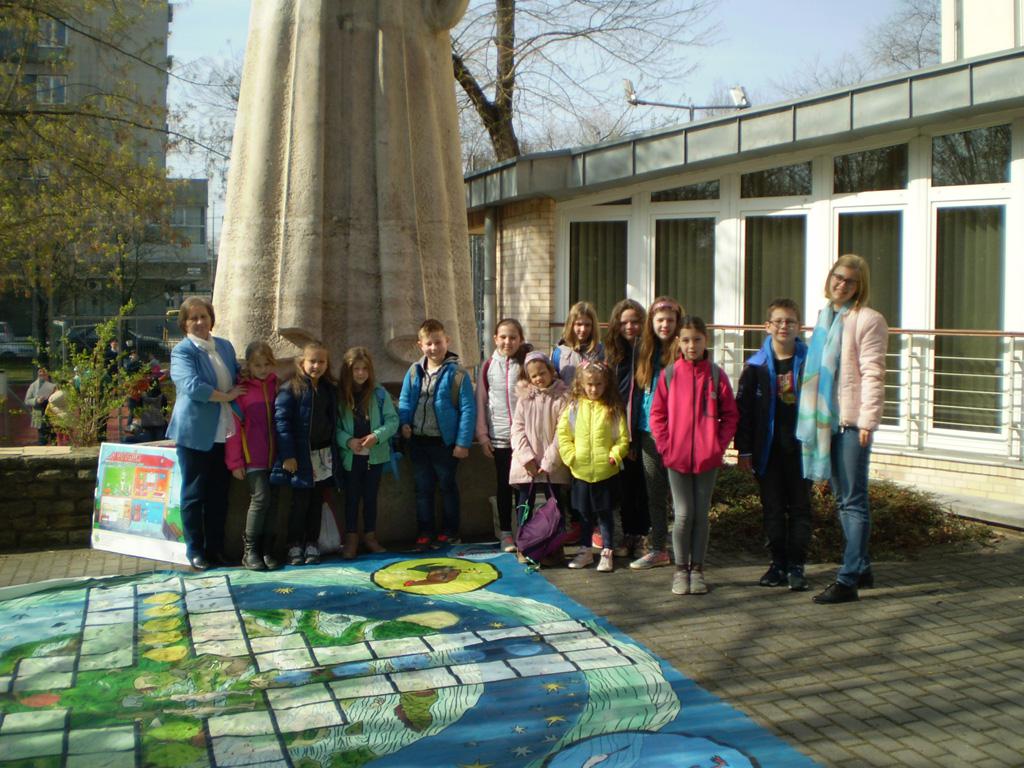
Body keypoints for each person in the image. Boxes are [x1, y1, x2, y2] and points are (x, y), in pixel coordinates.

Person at [799, 255, 888, 605]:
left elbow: (873, 373)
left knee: (852, 500)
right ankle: (862, 566)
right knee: (842, 498)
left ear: (859, 286)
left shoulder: (868, 319)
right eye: (838, 277)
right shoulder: (826, 318)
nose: (842, 284)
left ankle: (848, 579)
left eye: (850, 281)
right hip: (826, 422)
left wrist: (868, 420)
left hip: (851, 423)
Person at [650, 316, 739, 596]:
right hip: (676, 459)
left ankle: (697, 570)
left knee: (701, 515)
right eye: (686, 340)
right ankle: (680, 570)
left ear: (705, 341)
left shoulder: (716, 375)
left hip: (706, 460)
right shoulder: (669, 375)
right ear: (678, 342)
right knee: (683, 514)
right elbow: (657, 415)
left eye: (697, 340)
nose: (692, 345)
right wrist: (666, 447)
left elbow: (730, 415)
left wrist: (717, 446)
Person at [736, 299, 811, 591]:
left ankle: (797, 566)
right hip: (768, 453)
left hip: (802, 452)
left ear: (799, 327)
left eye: (790, 321)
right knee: (773, 509)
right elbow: (743, 412)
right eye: (778, 321)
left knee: (801, 509)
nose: (784, 326)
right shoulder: (755, 367)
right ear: (767, 326)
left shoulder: (811, 363)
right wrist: (744, 450)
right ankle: (777, 564)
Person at [166, 297, 243, 571]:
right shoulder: (183, 351)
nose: (199, 322)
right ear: (184, 323)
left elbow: (238, 374)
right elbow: (192, 386)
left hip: (225, 432)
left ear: (211, 318)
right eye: (193, 318)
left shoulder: (225, 346)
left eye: (203, 316)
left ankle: (215, 549)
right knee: (194, 494)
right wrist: (226, 396)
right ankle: (195, 551)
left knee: (218, 495)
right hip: (195, 433)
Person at [398, 319, 476, 551]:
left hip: (445, 443)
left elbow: (468, 409)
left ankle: (450, 531)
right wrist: (404, 423)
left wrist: (462, 443)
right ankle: (425, 532)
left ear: (447, 341)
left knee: (447, 487)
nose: (434, 348)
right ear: (420, 345)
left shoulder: (458, 374)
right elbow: (404, 399)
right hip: (418, 442)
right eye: (429, 344)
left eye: (438, 342)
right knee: (423, 489)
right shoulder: (414, 371)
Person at [271, 340, 341, 567]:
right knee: (299, 503)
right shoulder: (290, 389)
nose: (316, 366)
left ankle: (312, 542)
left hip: (323, 455)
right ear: (302, 362)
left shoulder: (329, 389)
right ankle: (294, 544)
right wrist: (288, 455)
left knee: (317, 501)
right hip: (300, 456)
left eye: (321, 362)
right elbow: (282, 423)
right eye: (312, 361)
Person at [557, 362, 629, 572]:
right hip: (581, 471)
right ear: (581, 384)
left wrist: (615, 455)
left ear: (606, 384)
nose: (594, 389)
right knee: (584, 514)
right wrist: (571, 457)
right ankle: (585, 550)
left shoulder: (612, 409)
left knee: (605, 514)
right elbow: (563, 435)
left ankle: (607, 550)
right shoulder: (573, 408)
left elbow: (622, 438)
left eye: (598, 384)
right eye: (589, 384)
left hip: (605, 471)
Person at [631, 297, 683, 570]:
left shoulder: (684, 350)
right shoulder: (644, 350)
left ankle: (687, 550)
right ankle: (658, 549)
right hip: (648, 432)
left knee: (680, 495)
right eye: (660, 320)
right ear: (651, 322)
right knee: (655, 493)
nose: (665, 325)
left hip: (676, 433)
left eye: (670, 320)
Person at [336, 346, 399, 560]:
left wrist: (377, 436)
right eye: (356, 369)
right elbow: (334, 427)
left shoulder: (379, 393)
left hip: (375, 457)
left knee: (370, 498)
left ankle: (370, 536)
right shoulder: (340, 396)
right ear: (348, 371)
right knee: (351, 499)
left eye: (365, 369)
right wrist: (348, 441)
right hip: (350, 458)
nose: (361, 373)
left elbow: (392, 421)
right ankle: (351, 538)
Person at [226, 341, 281, 571]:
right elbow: (233, 430)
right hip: (253, 457)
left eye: (267, 364)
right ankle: (250, 551)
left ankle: (267, 549)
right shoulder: (242, 392)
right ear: (248, 365)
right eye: (258, 365)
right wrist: (235, 462)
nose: (263, 369)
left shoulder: (277, 386)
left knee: (273, 502)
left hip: (276, 457)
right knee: (260, 499)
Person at [475, 318, 530, 552]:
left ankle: (526, 532)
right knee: (504, 485)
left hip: (525, 439)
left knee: (524, 488)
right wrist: (482, 435)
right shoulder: (488, 366)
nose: (508, 342)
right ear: (495, 338)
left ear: (521, 340)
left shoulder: (527, 364)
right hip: (498, 437)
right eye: (503, 337)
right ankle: (506, 533)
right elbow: (481, 401)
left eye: (513, 337)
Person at [510, 351, 571, 553]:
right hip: (526, 465)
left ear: (551, 371)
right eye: (533, 375)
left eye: (542, 373)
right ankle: (525, 545)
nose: (538, 378)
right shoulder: (524, 399)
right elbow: (517, 429)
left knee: (555, 505)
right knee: (524, 505)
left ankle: (554, 546)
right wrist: (526, 458)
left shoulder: (563, 398)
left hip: (552, 465)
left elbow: (563, 432)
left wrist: (549, 462)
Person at [603, 298, 649, 558]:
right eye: (624, 323)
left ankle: (642, 534)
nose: (630, 327)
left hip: (643, 426)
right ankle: (628, 533)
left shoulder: (649, 351)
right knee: (624, 485)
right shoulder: (612, 352)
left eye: (635, 322)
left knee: (642, 484)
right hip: (619, 427)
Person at [552, 301, 605, 384]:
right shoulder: (559, 353)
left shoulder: (600, 351)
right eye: (579, 324)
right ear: (571, 325)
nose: (583, 329)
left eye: (587, 325)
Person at [25, 367, 56, 446]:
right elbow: (27, 400)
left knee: (54, 435)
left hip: (52, 412)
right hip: (38, 411)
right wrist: (36, 400)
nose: (42, 376)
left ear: (48, 374)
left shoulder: (54, 384)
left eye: (44, 374)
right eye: (40, 374)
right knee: (42, 437)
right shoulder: (33, 386)